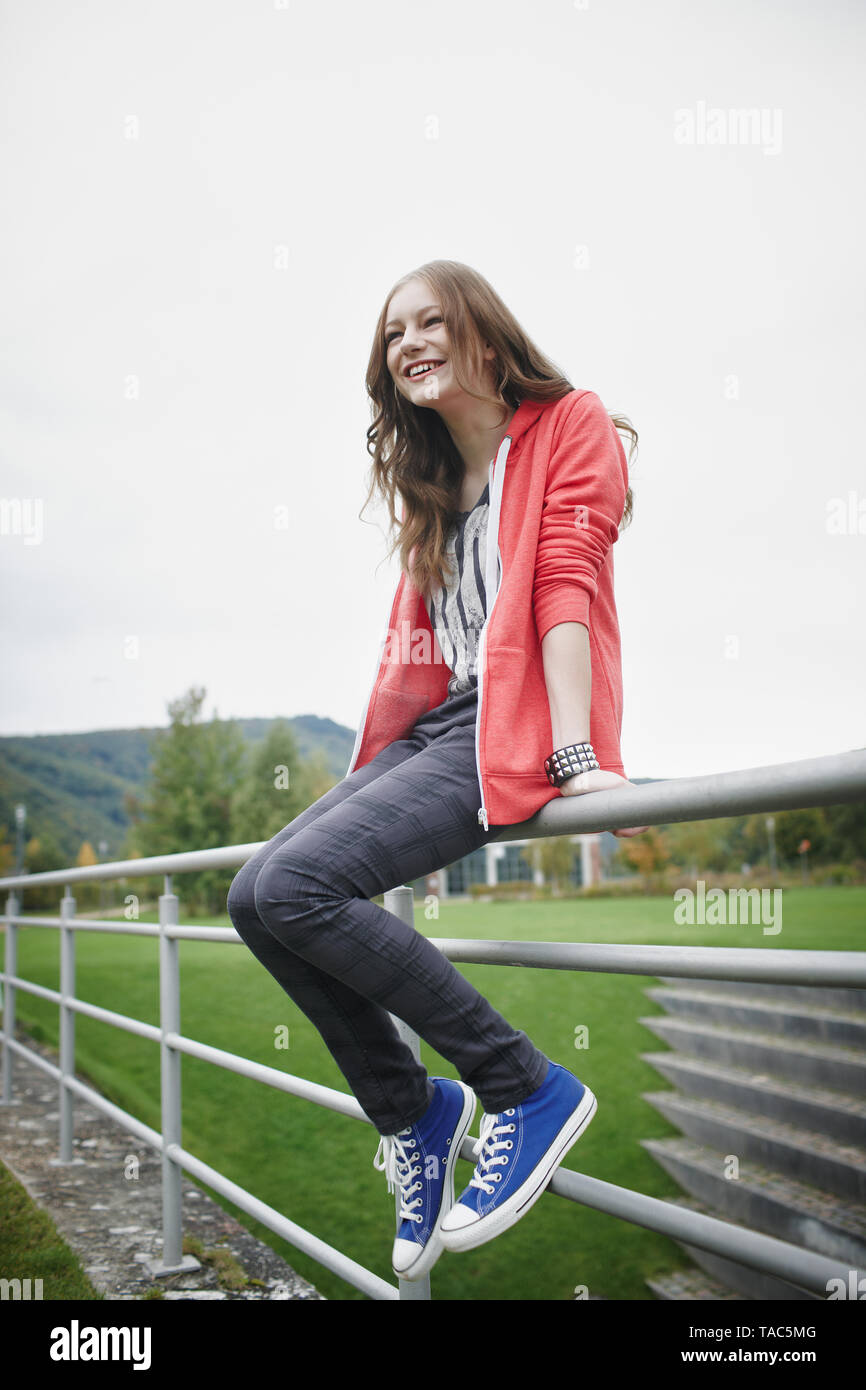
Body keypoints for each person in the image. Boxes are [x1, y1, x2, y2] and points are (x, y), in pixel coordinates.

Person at [226, 259, 647, 1284]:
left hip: (507, 722)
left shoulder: (566, 425)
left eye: (429, 322)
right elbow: (417, 658)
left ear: (485, 338)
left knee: (296, 885)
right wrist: (367, 779)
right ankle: (415, 1117)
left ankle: (521, 1085)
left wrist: (575, 754)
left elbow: (566, 587)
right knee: (252, 895)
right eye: (392, 332)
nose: (406, 342)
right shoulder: (432, 482)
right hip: (438, 725)